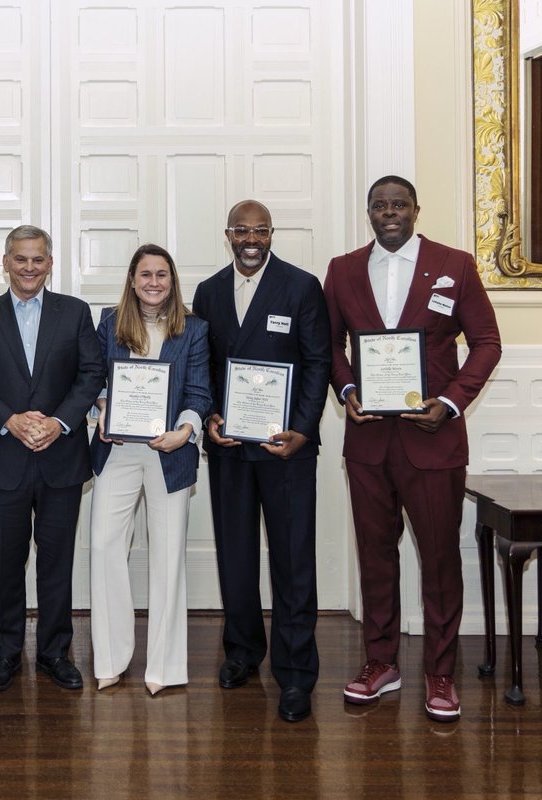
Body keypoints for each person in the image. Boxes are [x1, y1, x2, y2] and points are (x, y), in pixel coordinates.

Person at [324, 176, 501, 722]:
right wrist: (348, 390)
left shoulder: (457, 263)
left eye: (399, 204)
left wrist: (450, 402)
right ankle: (381, 664)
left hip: (434, 440)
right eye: (379, 205)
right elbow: (329, 346)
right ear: (369, 213)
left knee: (440, 560)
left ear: (416, 210)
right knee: (376, 558)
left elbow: (487, 343)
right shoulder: (344, 269)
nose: (389, 213)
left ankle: (440, 673)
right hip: (370, 441)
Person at [192, 200, 331, 723]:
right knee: (236, 555)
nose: (251, 239)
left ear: (272, 234)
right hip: (230, 449)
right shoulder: (207, 292)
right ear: (227, 233)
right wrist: (208, 416)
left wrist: (303, 430)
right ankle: (243, 651)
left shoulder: (301, 286)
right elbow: (199, 366)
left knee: (293, 561)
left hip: (286, 448)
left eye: (261, 230)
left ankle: (296, 674)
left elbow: (318, 362)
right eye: (241, 230)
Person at [0, 224, 103, 692]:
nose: (29, 267)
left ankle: (55, 653)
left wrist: (58, 423)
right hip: (3, 458)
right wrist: (11, 419)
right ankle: (5, 654)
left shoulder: (75, 313)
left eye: (38, 259)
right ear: (5, 262)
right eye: (20, 259)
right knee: (7, 562)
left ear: (50, 263)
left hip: (61, 457)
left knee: (57, 561)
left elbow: (91, 374)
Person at [89, 244, 211, 696]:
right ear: (132, 279)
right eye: (145, 274)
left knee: (167, 556)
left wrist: (185, 430)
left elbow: (200, 391)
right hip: (118, 450)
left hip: (170, 453)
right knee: (104, 547)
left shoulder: (194, 329)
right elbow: (96, 379)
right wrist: (102, 409)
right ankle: (111, 659)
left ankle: (163, 666)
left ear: (172, 280)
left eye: (162, 274)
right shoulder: (109, 321)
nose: (154, 282)